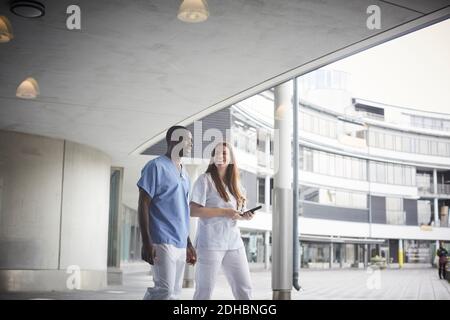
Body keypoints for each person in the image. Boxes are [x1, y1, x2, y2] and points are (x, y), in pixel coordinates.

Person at [137, 125, 197, 300]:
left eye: (191, 141)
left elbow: (182, 210)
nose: (191, 144)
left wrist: (188, 243)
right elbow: (143, 203)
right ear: (174, 140)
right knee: (164, 291)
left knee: (175, 293)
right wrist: (146, 241)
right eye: (188, 140)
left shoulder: (184, 172)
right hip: (161, 239)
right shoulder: (155, 166)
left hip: (180, 242)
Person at [190, 142, 254, 300]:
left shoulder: (237, 185)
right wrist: (225, 212)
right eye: (217, 153)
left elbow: (236, 214)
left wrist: (244, 216)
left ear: (231, 158)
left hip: (233, 243)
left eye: (225, 153)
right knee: (204, 291)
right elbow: (193, 210)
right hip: (211, 243)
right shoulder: (204, 180)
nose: (220, 156)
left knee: (244, 289)